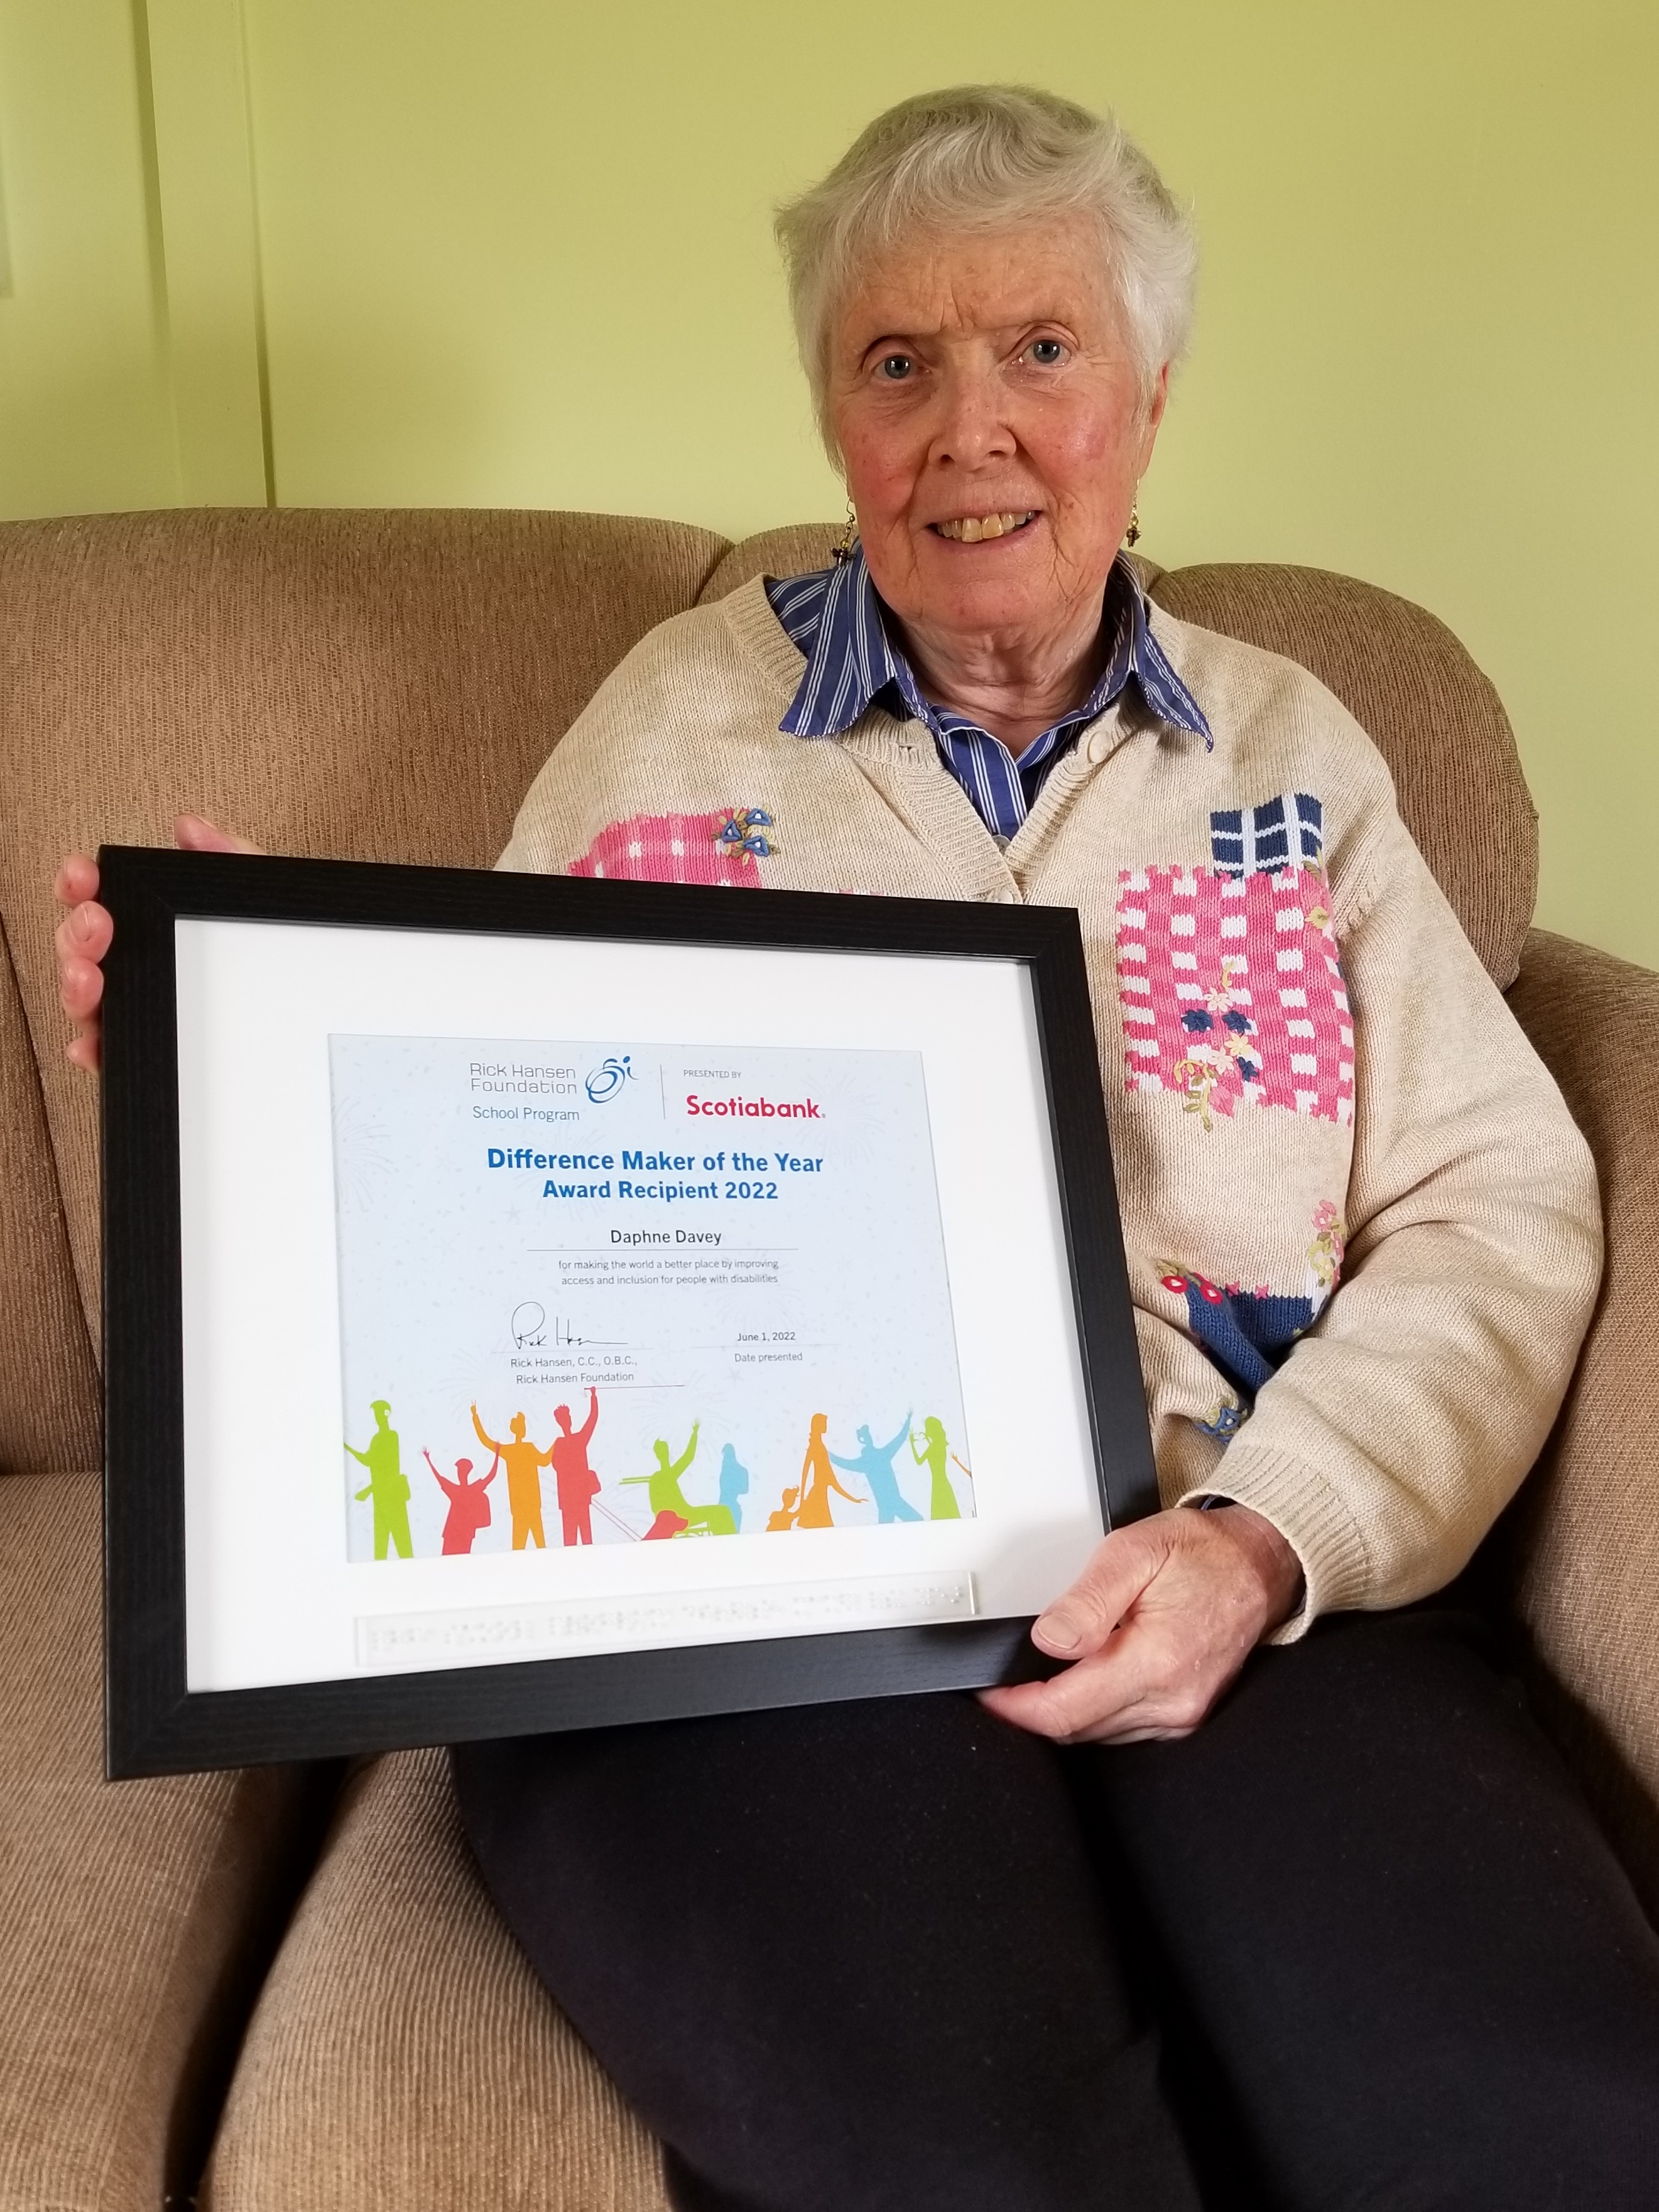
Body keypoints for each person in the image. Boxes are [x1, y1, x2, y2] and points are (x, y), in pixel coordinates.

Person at [48, 82, 1659, 2212]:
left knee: (1533, 2109)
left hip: (1232, 1553)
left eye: (1043, 352)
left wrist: (1275, 1533)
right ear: (835, 416)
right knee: (970, 2154)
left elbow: (1495, 1199)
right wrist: (236, 1042)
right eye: (899, 361)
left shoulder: (1294, 755)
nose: (970, 426)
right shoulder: (673, 729)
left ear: (1150, 400)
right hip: (754, 1613)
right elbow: (500, 1169)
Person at [468, 1404, 552, 1550]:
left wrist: (475, 1417)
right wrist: (475, 1417)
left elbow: (486, 1441)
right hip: (523, 1507)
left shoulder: (518, 1450)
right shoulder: (518, 1450)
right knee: (526, 1547)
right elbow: (545, 1460)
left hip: (528, 1506)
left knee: (532, 1547)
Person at [343, 1399, 412, 1560]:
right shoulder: (376, 1439)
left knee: (403, 1546)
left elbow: (384, 1466)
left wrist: (368, 1490)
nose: (377, 1417)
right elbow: (369, 1460)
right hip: (380, 1498)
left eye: (379, 1413)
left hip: (393, 1497)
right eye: (375, 1414)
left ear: (386, 1415)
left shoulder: (391, 1437)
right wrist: (349, 1449)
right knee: (380, 1548)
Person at [828, 1413, 920, 1522]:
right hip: (894, 1501)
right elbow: (900, 1438)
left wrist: (827, 1454)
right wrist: (908, 1421)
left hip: (886, 1504)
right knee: (917, 1520)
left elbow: (843, 1463)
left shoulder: (866, 1462)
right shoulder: (882, 1455)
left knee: (887, 1532)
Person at [790, 1411, 866, 1529]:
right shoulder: (815, 1446)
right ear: (818, 1425)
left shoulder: (820, 1446)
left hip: (820, 1495)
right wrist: (801, 1502)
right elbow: (805, 1473)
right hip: (817, 1497)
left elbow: (832, 1481)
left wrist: (853, 1499)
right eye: (824, 1423)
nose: (826, 1426)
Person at [548, 1388, 602, 1547]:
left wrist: (594, 1397)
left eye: (569, 1416)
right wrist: (593, 1396)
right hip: (572, 1500)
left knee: (582, 1541)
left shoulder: (571, 1441)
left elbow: (593, 1419)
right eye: (567, 1417)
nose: (569, 1419)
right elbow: (592, 1419)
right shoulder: (568, 1442)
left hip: (576, 1499)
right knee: (574, 1541)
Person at [424, 1446, 498, 1557]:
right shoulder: (459, 1490)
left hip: (464, 1532)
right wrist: (428, 1460)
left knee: (461, 1560)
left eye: (461, 1471)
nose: (460, 1474)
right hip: (453, 1532)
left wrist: (497, 1454)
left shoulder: (469, 1489)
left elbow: (491, 1476)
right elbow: (439, 1478)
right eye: (459, 1471)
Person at [910, 1415, 962, 1520]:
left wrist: (912, 1443)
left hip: (938, 1485)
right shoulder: (940, 1444)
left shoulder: (933, 1447)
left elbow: (919, 1461)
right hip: (943, 1482)